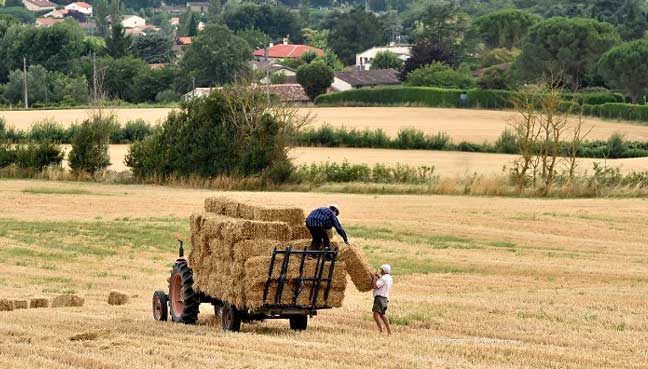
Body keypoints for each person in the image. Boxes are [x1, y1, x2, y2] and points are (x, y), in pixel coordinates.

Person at [371, 264, 393, 335]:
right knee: (383, 315)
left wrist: (374, 278)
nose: (380, 271)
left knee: (375, 314)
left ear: (383, 271)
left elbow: (375, 286)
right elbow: (383, 282)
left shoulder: (383, 278)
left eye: (381, 270)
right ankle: (389, 331)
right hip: (385, 298)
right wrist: (379, 277)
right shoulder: (389, 278)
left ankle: (381, 330)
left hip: (379, 298)